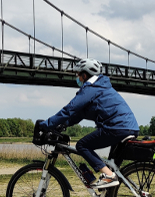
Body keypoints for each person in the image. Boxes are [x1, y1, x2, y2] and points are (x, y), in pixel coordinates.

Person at [42, 58, 139, 189]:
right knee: (111, 167)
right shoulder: (101, 86)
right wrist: (63, 124)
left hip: (116, 127)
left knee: (82, 145)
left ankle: (109, 176)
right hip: (128, 127)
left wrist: (47, 124)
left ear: (84, 75)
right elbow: (79, 113)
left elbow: (70, 109)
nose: (77, 78)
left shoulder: (91, 88)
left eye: (78, 74)